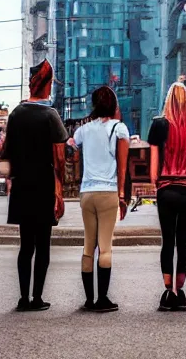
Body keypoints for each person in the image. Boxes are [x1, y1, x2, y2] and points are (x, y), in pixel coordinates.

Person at [3, 59, 68, 311]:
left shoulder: (16, 114)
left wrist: (11, 182)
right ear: (46, 83)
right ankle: (37, 298)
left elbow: (7, 152)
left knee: (25, 246)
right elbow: (59, 159)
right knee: (43, 245)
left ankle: (22, 298)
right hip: (43, 187)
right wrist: (59, 193)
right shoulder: (50, 115)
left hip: (21, 187)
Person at [72, 86, 130, 312]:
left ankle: (88, 300)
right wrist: (122, 195)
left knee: (89, 245)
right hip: (108, 193)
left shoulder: (84, 129)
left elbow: (69, 147)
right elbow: (122, 168)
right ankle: (102, 300)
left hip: (87, 193)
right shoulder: (119, 129)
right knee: (105, 247)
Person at [148, 82, 186, 311]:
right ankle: (180, 292)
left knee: (167, 241)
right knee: (184, 241)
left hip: (166, 188)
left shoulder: (159, 125)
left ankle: (168, 289)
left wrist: (157, 182)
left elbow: (153, 167)